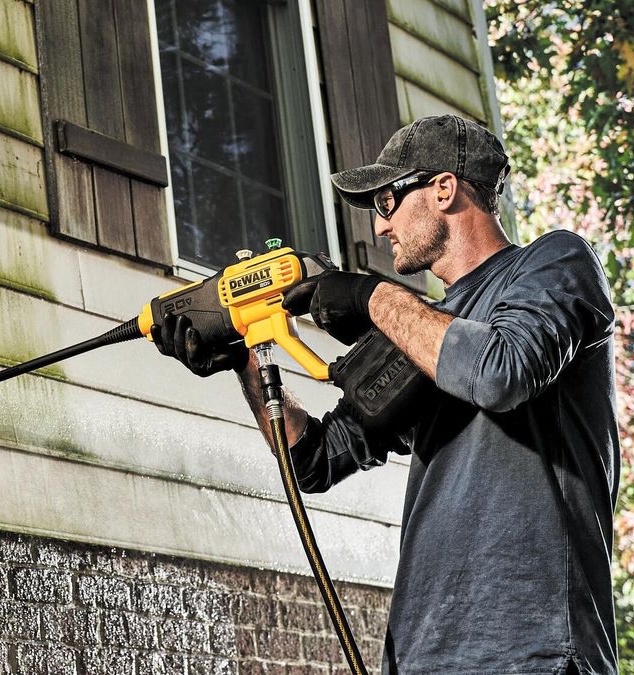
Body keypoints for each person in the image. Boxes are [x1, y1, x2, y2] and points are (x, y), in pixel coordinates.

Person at [153, 114, 620, 674]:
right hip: (422, 656)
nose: (379, 228)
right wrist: (244, 359)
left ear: (444, 188)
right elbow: (314, 460)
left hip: (532, 650)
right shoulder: (422, 331)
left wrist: (373, 297)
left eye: (387, 201)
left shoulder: (552, 264)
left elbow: (501, 372)